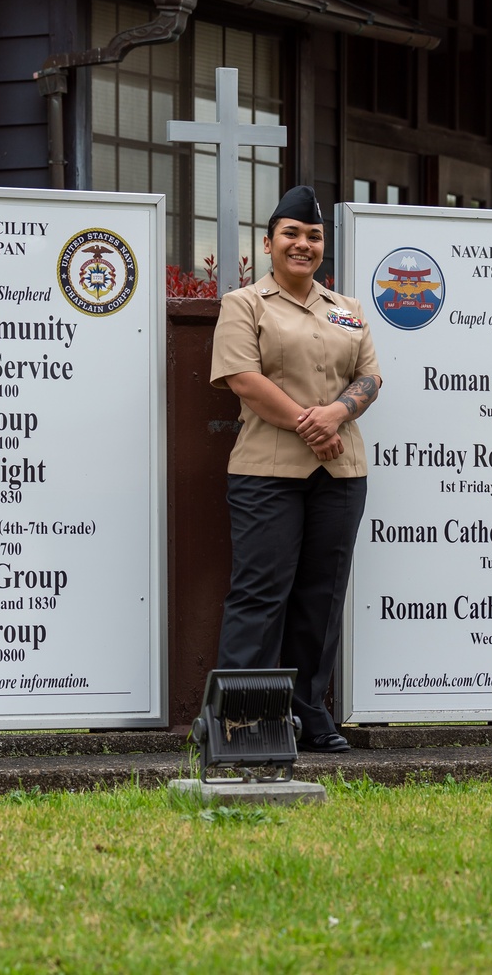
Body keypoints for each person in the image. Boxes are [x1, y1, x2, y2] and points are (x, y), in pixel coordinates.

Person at [210, 185, 381, 753]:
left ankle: (308, 714)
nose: (303, 244)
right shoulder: (245, 304)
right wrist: (313, 424)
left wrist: (337, 413)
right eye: (291, 234)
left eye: (313, 236)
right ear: (268, 242)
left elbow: (370, 377)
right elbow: (244, 379)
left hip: (341, 474)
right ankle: (244, 722)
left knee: (322, 596)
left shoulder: (348, 310)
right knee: (260, 594)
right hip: (267, 472)